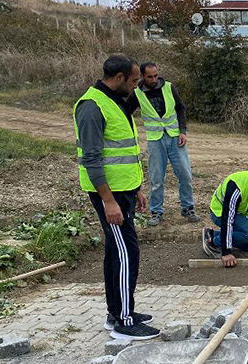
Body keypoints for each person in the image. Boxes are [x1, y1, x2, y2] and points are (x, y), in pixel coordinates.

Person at [74, 54, 159, 340]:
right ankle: (124, 321)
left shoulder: (113, 102)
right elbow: (93, 159)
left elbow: (121, 153)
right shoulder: (91, 106)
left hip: (122, 191)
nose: (136, 86)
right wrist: (109, 201)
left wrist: (135, 189)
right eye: (135, 80)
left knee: (116, 251)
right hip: (108, 195)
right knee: (126, 253)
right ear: (120, 77)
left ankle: (117, 313)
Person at [128, 62, 198, 226]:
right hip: (155, 140)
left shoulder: (169, 87)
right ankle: (156, 212)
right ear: (143, 77)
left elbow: (180, 108)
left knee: (185, 175)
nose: (153, 79)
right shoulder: (137, 93)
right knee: (156, 178)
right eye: (149, 77)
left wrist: (183, 131)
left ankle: (188, 208)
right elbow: (126, 113)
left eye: (155, 76)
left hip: (175, 137)